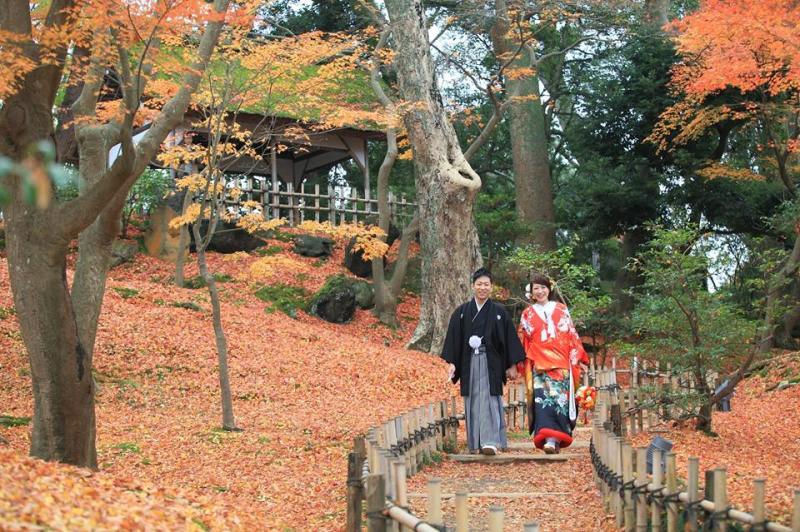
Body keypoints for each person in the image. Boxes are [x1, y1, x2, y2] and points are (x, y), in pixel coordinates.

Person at [442, 267, 525, 455]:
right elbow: (454, 340)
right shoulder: (462, 312)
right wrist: (452, 363)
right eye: (479, 284)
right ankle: (475, 443)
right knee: (473, 400)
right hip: (469, 362)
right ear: (473, 286)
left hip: (491, 363)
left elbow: (509, 338)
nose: (482, 288)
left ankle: (491, 441)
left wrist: (512, 364)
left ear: (491, 287)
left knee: (489, 399)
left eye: (486, 284)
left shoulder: (499, 312)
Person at [518, 272, 589, 454]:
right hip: (539, 364)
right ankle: (548, 440)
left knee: (560, 402)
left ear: (549, 289)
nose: (540, 291)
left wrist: (578, 358)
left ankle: (555, 439)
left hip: (561, 364)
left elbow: (572, 335)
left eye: (543, 287)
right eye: (536, 289)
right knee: (542, 403)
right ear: (531, 293)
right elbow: (523, 340)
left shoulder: (561, 309)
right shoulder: (527, 314)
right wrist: (520, 361)